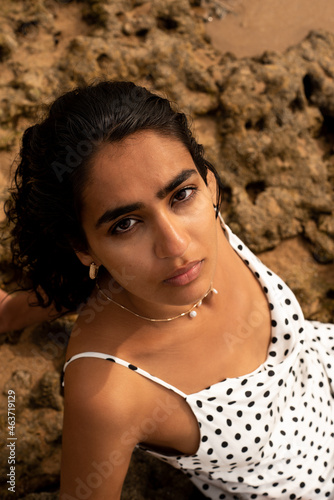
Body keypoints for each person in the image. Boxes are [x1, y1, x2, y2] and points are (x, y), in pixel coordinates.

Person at [4, 80, 334, 499]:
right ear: (85, 247)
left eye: (180, 194)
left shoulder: (207, 223)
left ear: (209, 184)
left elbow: (47, 298)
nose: (177, 245)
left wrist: (13, 313)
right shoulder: (107, 390)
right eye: (125, 224)